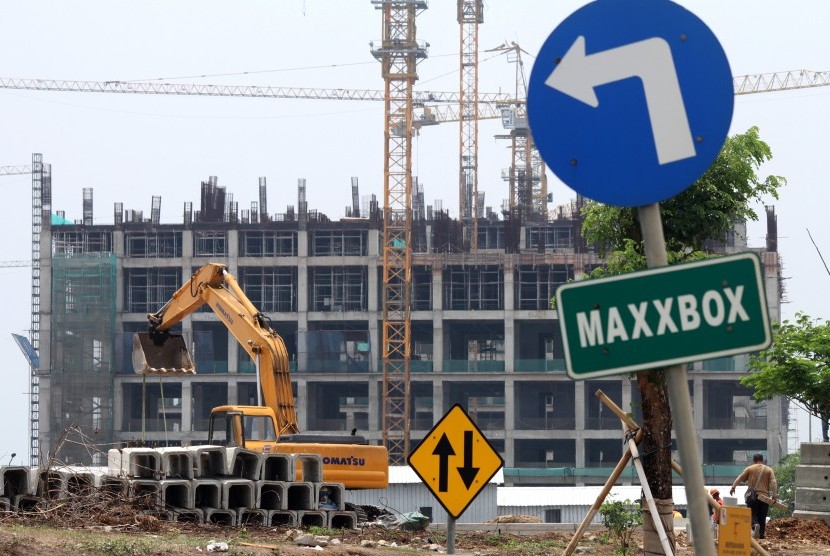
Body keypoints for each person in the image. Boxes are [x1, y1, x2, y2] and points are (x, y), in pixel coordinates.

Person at [730, 453, 778, 539]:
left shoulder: (749, 469)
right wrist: (774, 496)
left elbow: (740, 478)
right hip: (764, 497)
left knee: (752, 515)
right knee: (762, 517)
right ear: (762, 460)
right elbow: (773, 482)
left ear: (753, 460)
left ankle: (755, 525)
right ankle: (761, 536)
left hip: (753, 497)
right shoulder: (769, 470)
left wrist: (733, 487)